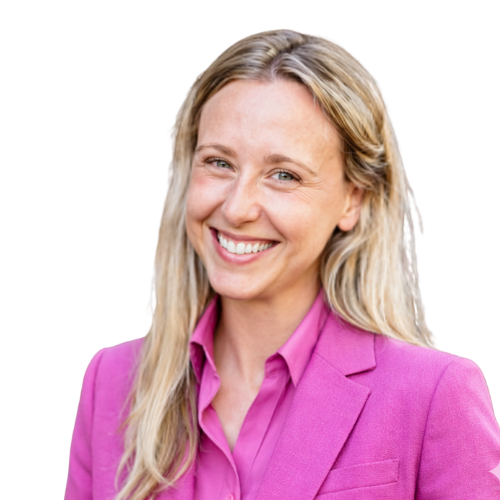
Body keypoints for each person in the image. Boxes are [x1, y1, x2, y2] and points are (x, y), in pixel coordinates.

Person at [64, 29, 500, 500]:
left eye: (284, 175)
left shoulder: (433, 395)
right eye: (219, 163)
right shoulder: (111, 381)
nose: (237, 208)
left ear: (353, 199)